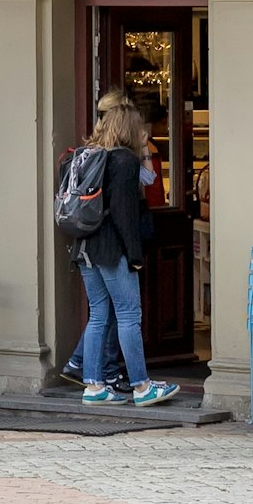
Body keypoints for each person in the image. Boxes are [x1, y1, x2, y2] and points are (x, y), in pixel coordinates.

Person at [60, 95, 177, 408]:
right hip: (112, 250)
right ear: (129, 128)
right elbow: (125, 215)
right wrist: (135, 256)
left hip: (83, 246)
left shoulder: (87, 154)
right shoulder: (124, 160)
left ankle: (94, 386)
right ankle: (142, 386)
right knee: (129, 315)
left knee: (98, 315)